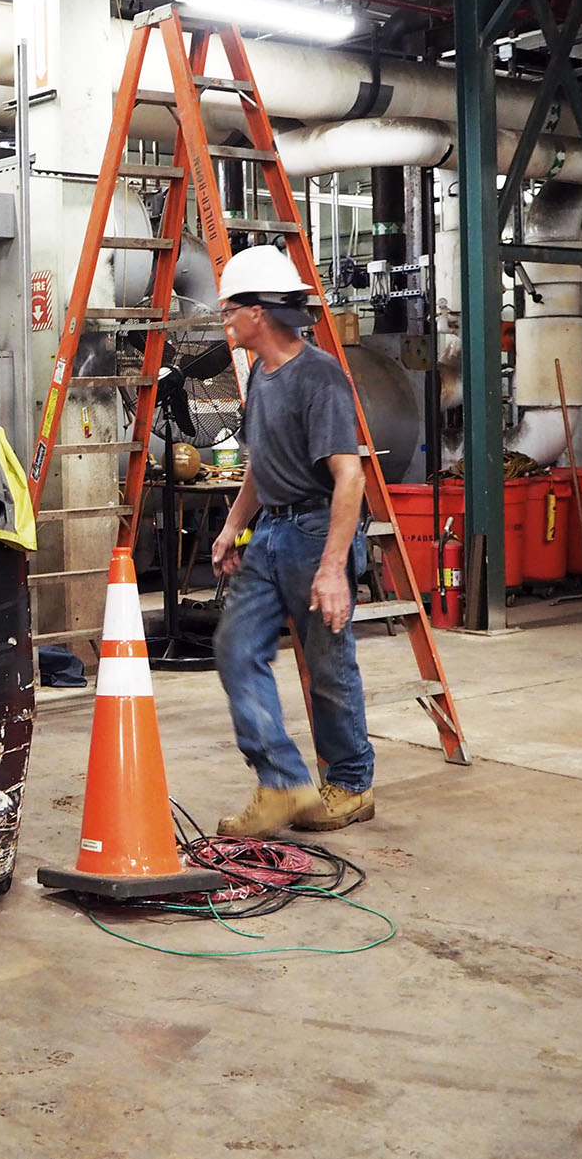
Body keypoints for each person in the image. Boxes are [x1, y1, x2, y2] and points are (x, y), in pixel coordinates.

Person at [207, 244, 375, 839]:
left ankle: (351, 785)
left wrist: (333, 570)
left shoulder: (318, 375)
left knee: (327, 666)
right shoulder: (259, 376)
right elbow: (261, 463)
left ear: (260, 312)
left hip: (314, 531)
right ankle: (282, 782)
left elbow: (348, 475)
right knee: (234, 647)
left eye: (232, 306)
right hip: (272, 530)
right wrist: (233, 526)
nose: (225, 315)